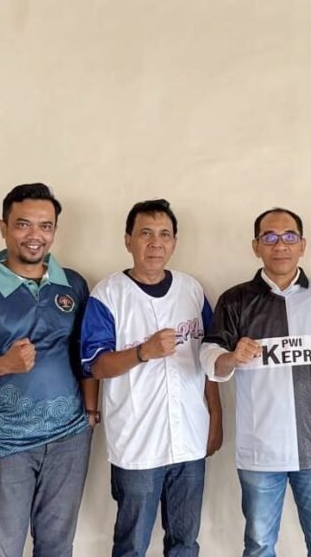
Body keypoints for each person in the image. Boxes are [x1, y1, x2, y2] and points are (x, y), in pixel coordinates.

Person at [0, 183, 97, 557]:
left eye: (45, 226)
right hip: (4, 441)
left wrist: (91, 411)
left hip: (70, 437)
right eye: (23, 224)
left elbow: (84, 354)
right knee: (3, 548)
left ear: (55, 230)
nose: (34, 235)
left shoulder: (73, 284)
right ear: (3, 227)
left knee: (57, 546)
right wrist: (3, 365)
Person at [200, 208, 311, 557]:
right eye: (269, 237)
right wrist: (232, 357)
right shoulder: (235, 300)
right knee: (258, 546)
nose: (280, 245)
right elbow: (209, 357)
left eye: (289, 237)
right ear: (256, 246)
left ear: (302, 245)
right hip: (260, 450)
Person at [80, 199, 223, 556]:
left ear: (174, 242)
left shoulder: (191, 290)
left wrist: (215, 417)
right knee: (132, 545)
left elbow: (209, 357)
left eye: (164, 234)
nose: (156, 243)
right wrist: (142, 352)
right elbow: (96, 366)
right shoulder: (108, 295)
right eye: (145, 233)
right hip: (137, 443)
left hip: (189, 436)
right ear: (128, 240)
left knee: (185, 542)